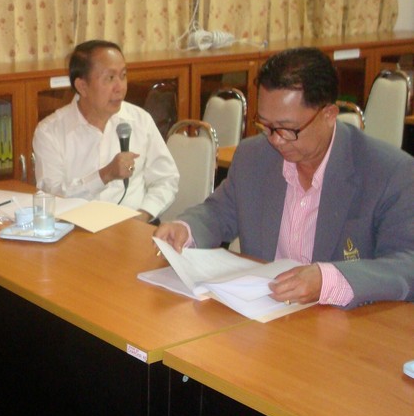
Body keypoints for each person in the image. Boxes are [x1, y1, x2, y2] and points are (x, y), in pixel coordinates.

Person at [154, 47, 414, 308]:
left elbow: (407, 264)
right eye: (266, 125)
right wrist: (186, 229)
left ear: (329, 115)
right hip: (263, 311)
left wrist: (328, 279)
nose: (276, 140)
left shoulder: (389, 171)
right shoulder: (254, 156)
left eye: (288, 129)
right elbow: (219, 212)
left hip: (343, 320)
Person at [32, 40, 179, 222]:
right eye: (110, 78)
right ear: (82, 86)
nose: (120, 87)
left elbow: (166, 179)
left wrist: (143, 215)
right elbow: (51, 197)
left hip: (134, 226)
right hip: (77, 230)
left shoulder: (140, 120)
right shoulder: (50, 132)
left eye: (123, 76)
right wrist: (104, 175)